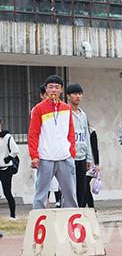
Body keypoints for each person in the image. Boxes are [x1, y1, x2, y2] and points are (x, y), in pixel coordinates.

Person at [28, 75, 78, 209]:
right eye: (50, 87)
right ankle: (39, 224)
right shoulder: (38, 109)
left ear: (61, 90)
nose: (54, 90)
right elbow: (33, 134)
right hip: (46, 157)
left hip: (64, 157)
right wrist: (34, 156)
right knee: (41, 194)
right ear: (46, 90)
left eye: (57, 87)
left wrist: (72, 151)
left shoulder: (66, 108)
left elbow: (71, 132)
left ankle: (71, 223)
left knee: (70, 193)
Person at [66, 83, 93, 208]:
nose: (78, 97)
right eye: (75, 94)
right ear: (68, 96)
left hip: (82, 156)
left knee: (82, 188)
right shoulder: (65, 113)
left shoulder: (83, 114)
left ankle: (80, 213)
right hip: (69, 157)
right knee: (70, 188)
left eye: (80, 94)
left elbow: (86, 136)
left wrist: (89, 158)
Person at [0, 118, 19, 219]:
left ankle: (13, 216)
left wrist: (7, 159)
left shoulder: (7, 136)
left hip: (6, 169)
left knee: (7, 192)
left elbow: (16, 150)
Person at [85, 125, 100, 208]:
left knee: (85, 185)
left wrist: (97, 164)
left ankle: (90, 207)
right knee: (84, 187)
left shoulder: (91, 131)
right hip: (81, 161)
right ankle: (89, 207)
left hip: (91, 163)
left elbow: (95, 148)